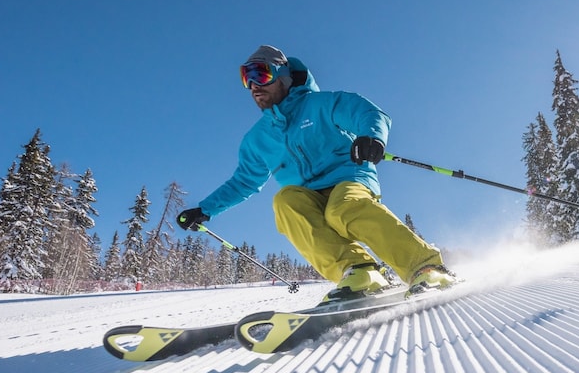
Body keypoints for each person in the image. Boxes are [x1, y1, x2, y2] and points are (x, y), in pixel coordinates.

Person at [177, 45, 456, 301]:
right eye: (245, 77)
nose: (252, 85)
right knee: (285, 203)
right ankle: (360, 271)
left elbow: (367, 112)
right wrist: (205, 209)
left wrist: (372, 137)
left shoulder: (320, 105)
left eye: (260, 74)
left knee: (343, 207)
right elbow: (244, 181)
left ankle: (425, 266)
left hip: (348, 178)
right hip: (306, 195)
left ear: (283, 76)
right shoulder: (258, 138)